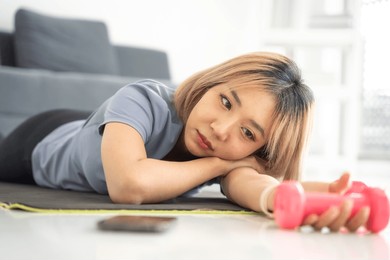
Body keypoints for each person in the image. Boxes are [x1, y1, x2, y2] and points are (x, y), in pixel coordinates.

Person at [0, 52, 369, 232]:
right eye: (225, 101)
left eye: (248, 133)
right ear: (210, 83)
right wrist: (222, 164)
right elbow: (129, 185)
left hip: (97, 132)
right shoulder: (142, 98)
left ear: (259, 150)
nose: (222, 130)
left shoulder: (231, 155)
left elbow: (256, 186)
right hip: (40, 140)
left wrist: (306, 200)